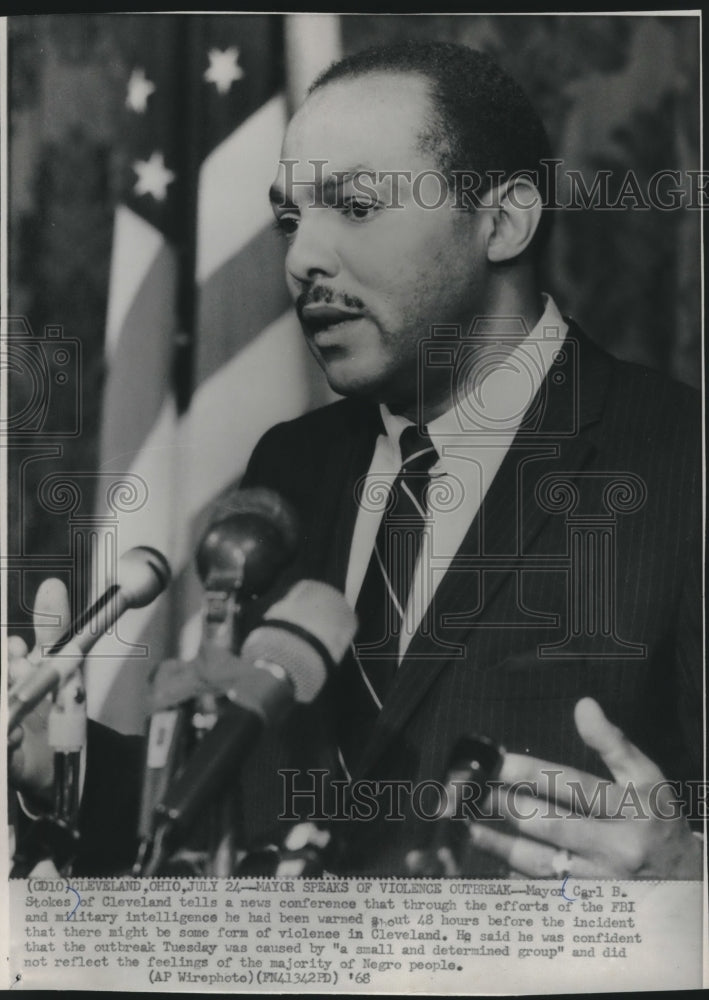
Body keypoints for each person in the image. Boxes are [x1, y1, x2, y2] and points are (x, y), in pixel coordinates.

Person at [9, 41, 703, 879]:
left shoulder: (680, 460)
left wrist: (685, 875)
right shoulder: (288, 468)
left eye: (357, 206)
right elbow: (236, 807)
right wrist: (56, 762)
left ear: (504, 219)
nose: (301, 258)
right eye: (292, 218)